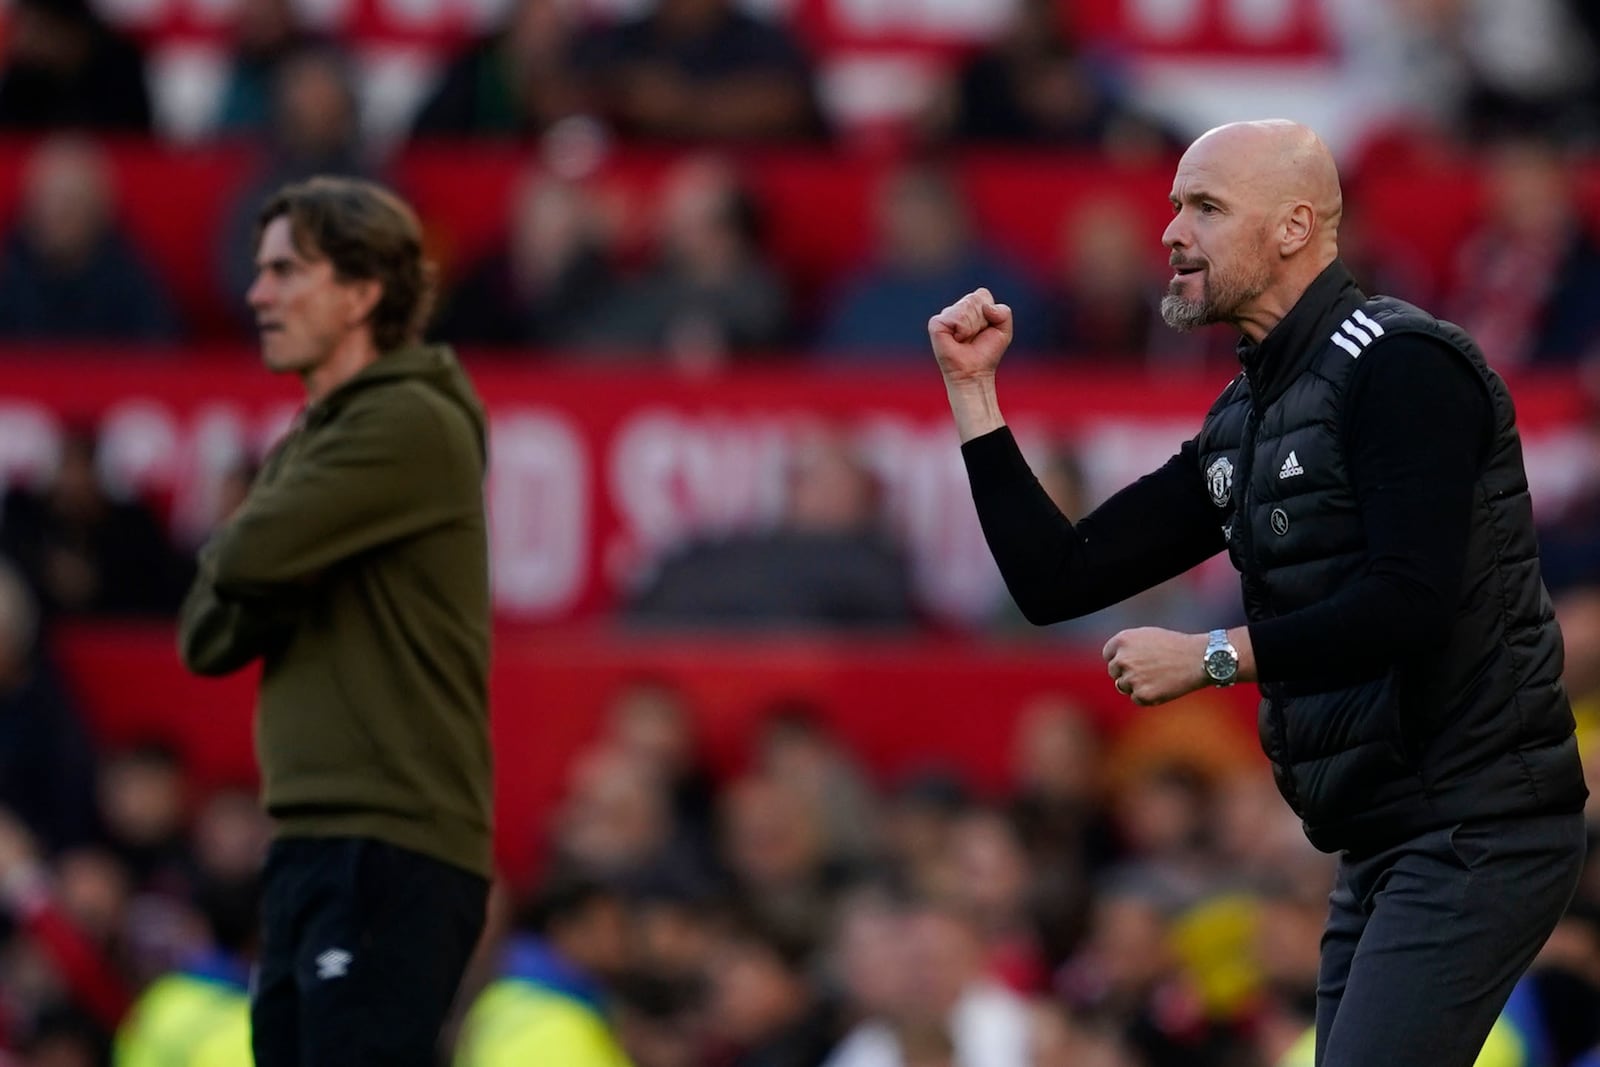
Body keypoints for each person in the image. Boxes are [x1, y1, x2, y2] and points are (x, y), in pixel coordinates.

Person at [927, 119, 1588, 1067]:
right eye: (1174, 206)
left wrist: (1210, 657)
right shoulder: (1249, 414)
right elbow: (1058, 578)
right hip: (1381, 839)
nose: (1170, 232)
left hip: (1481, 824)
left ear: (1293, 227)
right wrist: (974, 397)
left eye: (1204, 206)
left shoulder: (1403, 365)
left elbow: (1411, 600)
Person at [177, 176, 493, 1066]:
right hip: (319, 843)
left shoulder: (412, 420)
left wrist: (263, 543)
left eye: (286, 271)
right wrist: (274, 545)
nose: (257, 295)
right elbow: (207, 635)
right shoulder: (314, 444)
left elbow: (236, 564)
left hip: (388, 844)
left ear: (361, 293)